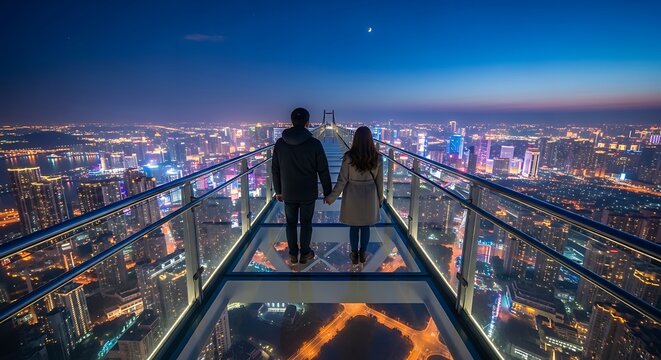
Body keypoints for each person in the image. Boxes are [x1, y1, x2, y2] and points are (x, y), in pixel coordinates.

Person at [272, 107, 332, 265]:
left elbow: (275, 169)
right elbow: (323, 170)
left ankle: (293, 254)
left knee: (290, 223)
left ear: (292, 121)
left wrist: (278, 190)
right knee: (306, 223)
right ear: (308, 123)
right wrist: (328, 192)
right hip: (307, 192)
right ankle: (305, 253)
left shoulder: (280, 143)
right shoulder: (314, 144)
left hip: (288, 192)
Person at [324, 126, 383, 265]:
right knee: (366, 226)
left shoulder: (349, 157)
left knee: (354, 226)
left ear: (355, 139)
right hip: (370, 194)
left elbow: (342, 180)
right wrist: (379, 201)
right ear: (370, 140)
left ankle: (354, 253)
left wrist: (331, 197)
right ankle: (362, 253)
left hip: (352, 194)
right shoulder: (377, 158)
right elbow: (380, 183)